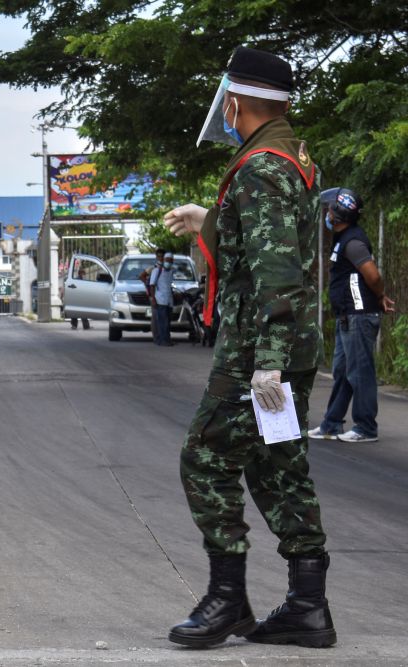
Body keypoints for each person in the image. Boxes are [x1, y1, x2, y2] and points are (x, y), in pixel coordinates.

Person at [163, 47, 334, 648]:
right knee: (276, 462)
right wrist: (209, 218)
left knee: (204, 457)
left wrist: (266, 362)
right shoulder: (288, 154)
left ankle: (227, 599)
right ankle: (308, 607)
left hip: (259, 352)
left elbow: (277, 271)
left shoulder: (260, 166)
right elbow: (269, 244)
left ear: (237, 100)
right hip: (287, 344)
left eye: (228, 102)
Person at [309, 189, 395, 443]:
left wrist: (379, 296)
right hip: (348, 317)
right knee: (343, 372)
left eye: (330, 209)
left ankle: (366, 427)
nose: (326, 213)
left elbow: (373, 276)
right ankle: (331, 424)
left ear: (338, 215)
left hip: (358, 316)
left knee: (360, 374)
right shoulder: (343, 238)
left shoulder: (353, 242)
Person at [150, 252, 175, 346]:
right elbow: (152, 285)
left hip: (169, 301)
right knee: (162, 322)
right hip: (160, 300)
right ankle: (162, 340)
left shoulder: (171, 271)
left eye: (170, 260)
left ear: (172, 261)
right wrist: (153, 299)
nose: (168, 262)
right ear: (164, 260)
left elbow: (169, 285)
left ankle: (167, 339)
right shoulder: (157, 271)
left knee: (167, 322)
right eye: (166, 260)